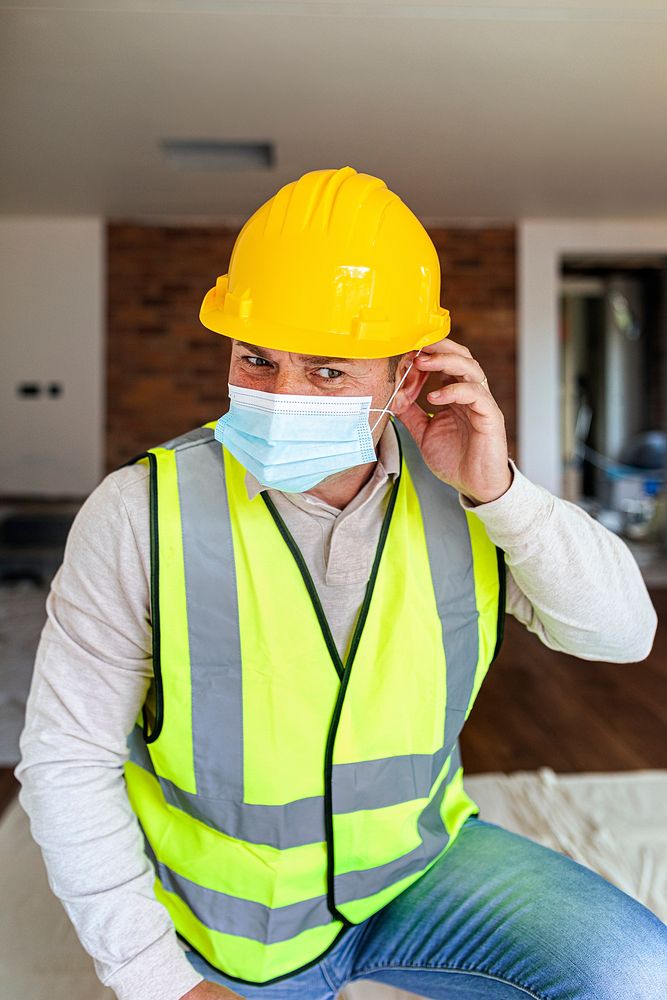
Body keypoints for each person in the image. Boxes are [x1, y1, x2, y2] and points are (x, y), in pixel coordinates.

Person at [15, 166, 664, 1000]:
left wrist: (502, 491)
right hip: (234, 927)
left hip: (416, 871)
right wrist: (158, 981)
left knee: (638, 975)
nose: (281, 395)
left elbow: (621, 634)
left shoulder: (466, 499)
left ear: (406, 377)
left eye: (327, 372)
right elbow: (67, 759)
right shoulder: (137, 513)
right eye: (257, 359)